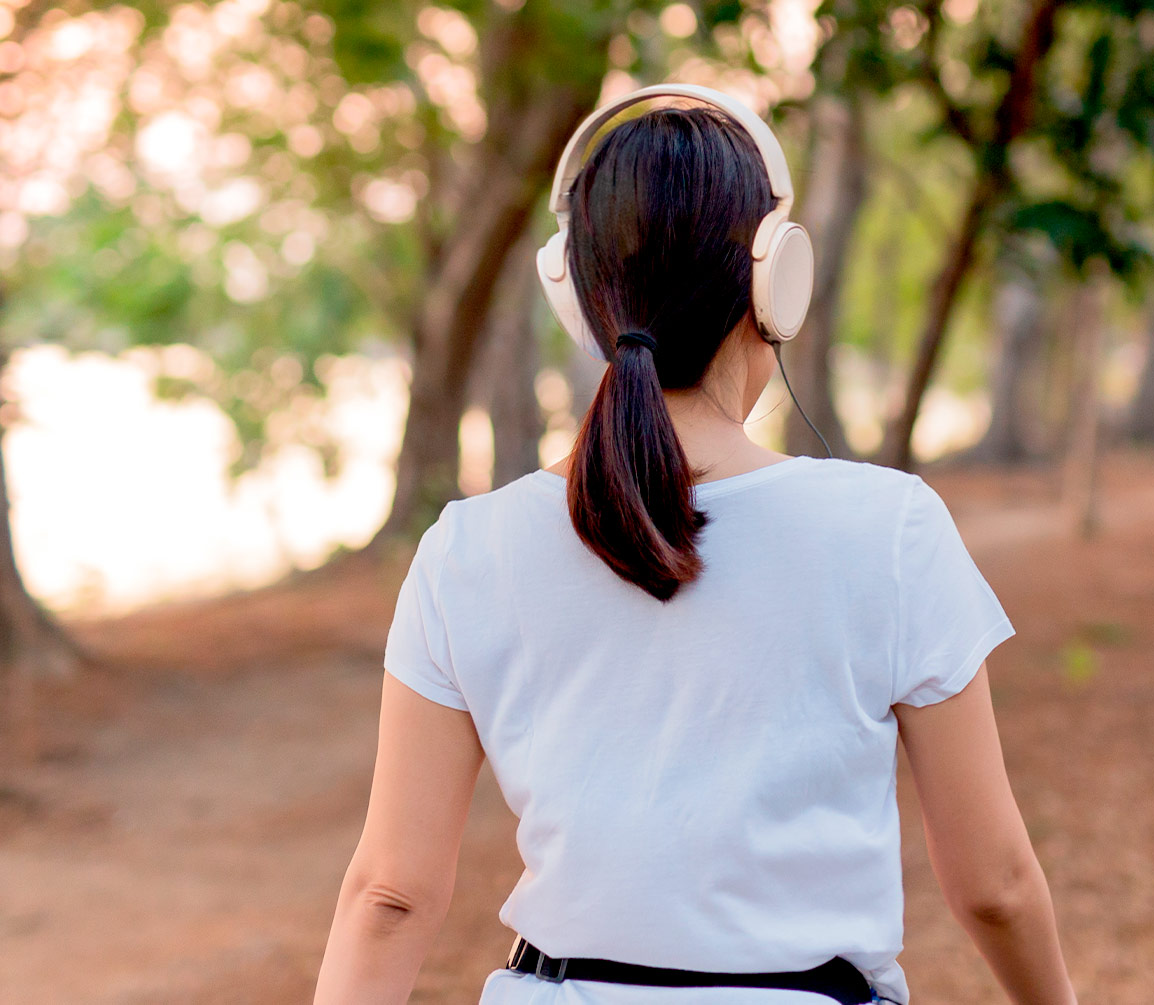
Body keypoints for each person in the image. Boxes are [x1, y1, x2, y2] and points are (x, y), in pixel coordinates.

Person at [315, 86, 1075, 1005]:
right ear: (775, 283)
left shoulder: (466, 550)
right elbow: (994, 887)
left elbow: (390, 896)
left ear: (576, 293)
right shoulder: (891, 529)